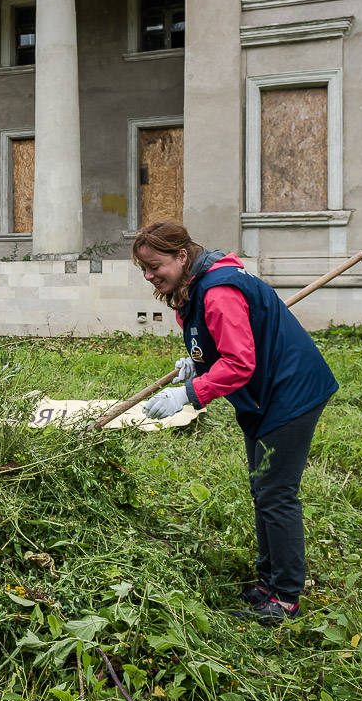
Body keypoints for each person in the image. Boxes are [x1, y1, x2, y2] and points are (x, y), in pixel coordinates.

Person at [133, 220, 337, 626]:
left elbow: (240, 363)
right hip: (266, 396)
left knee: (277, 494)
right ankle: (268, 583)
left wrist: (188, 394)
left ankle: (286, 598)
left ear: (182, 256)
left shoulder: (219, 289)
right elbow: (227, 342)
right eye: (143, 269)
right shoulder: (196, 286)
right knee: (263, 489)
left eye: (155, 265)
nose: (149, 276)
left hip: (289, 393)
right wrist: (196, 362)